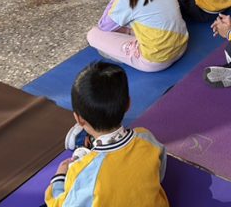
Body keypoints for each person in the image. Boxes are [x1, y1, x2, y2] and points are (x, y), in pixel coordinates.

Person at [47, 62, 169, 207]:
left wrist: (59, 178)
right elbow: (159, 174)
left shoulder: (83, 171)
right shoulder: (146, 138)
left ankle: (89, 144)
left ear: (79, 119)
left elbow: (62, 205)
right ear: (128, 104)